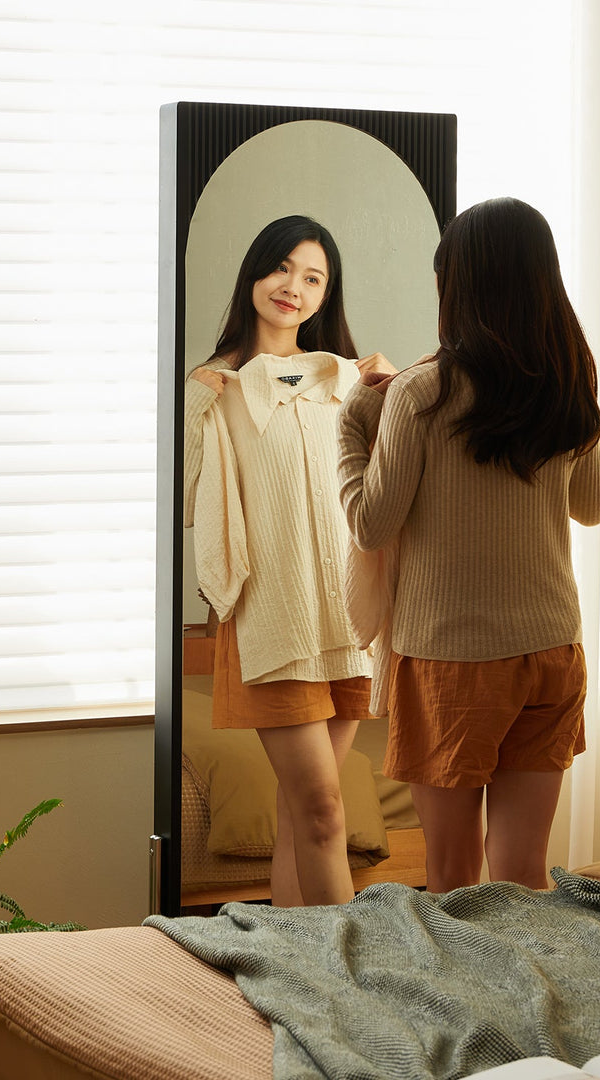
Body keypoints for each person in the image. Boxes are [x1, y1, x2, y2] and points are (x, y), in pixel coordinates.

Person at [337, 197, 600, 892]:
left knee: (455, 875)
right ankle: (526, 1001)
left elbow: (371, 523)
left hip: (451, 659)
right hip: (552, 649)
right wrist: (581, 419)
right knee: (523, 874)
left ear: (457, 286)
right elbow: (595, 503)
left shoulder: (421, 395)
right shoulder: (567, 384)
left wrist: (352, 427)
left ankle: (466, 1002)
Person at [184, 214, 395, 906]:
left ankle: (288, 961)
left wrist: (396, 401)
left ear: (325, 296)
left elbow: (396, 489)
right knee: (325, 811)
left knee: (299, 814)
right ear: (254, 272)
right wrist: (194, 410)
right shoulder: (216, 387)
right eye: (281, 269)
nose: (292, 288)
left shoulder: (349, 385)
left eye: (313, 278)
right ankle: (345, 975)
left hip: (348, 621)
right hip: (274, 626)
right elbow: (186, 500)